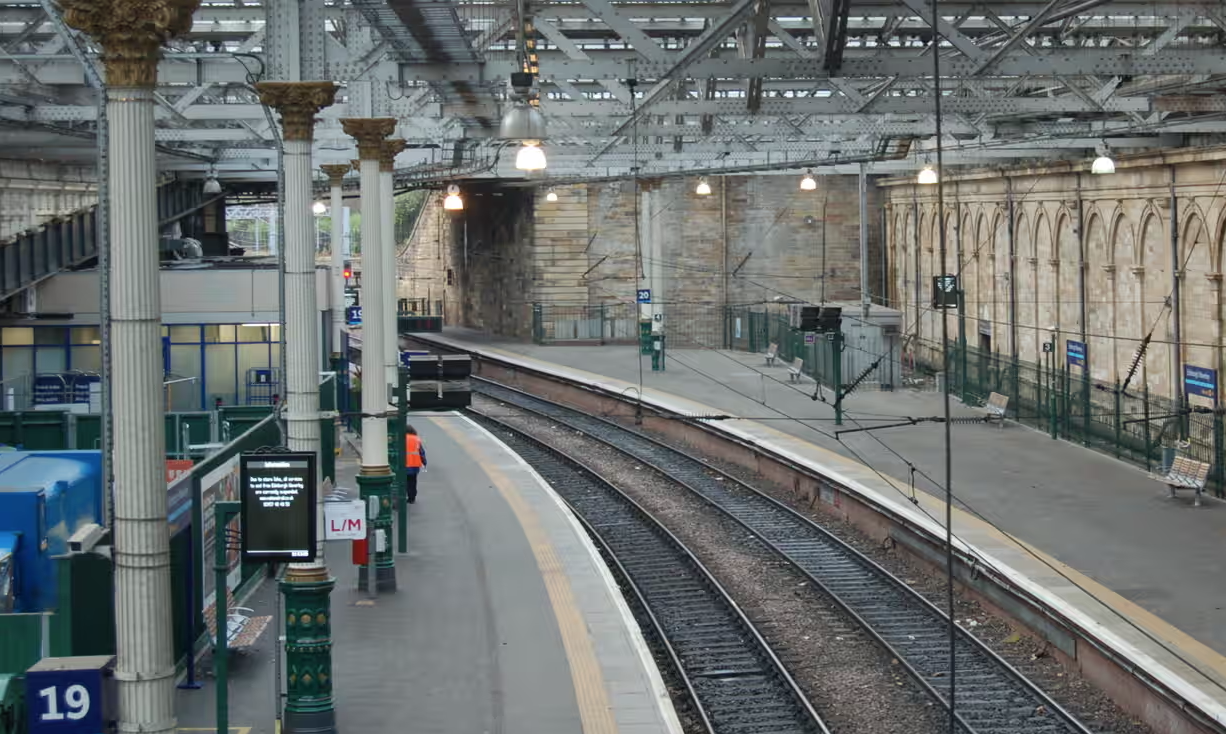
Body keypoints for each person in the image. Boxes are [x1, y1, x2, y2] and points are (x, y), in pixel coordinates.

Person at [404, 423, 426, 504]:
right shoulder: (416, 439)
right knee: (412, 481)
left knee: (403, 481)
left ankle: (403, 496)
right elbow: (421, 452)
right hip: (414, 465)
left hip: (404, 464)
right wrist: (424, 462)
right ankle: (412, 498)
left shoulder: (401, 438)